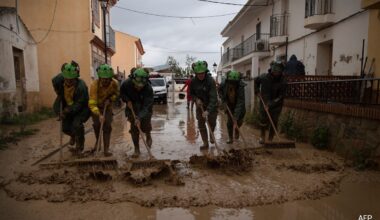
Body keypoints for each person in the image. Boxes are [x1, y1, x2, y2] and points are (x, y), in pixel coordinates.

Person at [52, 61, 90, 155]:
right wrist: (58, 92)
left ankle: (80, 147)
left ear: (76, 78)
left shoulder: (81, 87)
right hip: (67, 106)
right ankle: (73, 136)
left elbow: (79, 104)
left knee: (77, 125)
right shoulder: (59, 80)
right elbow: (54, 81)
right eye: (66, 79)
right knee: (65, 128)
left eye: (71, 80)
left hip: (82, 108)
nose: (69, 82)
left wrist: (67, 111)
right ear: (63, 77)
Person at [120, 68, 153, 157]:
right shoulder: (126, 84)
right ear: (133, 80)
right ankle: (137, 149)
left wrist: (139, 117)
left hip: (145, 109)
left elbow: (147, 106)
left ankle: (148, 135)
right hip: (132, 108)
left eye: (141, 86)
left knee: (145, 127)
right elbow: (122, 93)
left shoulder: (148, 88)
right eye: (137, 85)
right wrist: (127, 100)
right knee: (134, 129)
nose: (139, 88)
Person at [88, 64, 119, 157]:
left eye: (108, 79)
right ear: (100, 77)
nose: (105, 81)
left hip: (107, 107)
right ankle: (98, 142)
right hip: (96, 107)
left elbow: (117, 94)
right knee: (97, 125)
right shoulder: (94, 85)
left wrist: (110, 99)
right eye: (103, 79)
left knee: (107, 126)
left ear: (110, 78)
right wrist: (99, 114)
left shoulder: (115, 83)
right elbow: (92, 103)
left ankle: (106, 149)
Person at [254, 61, 287, 143]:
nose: (276, 73)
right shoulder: (264, 77)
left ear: (280, 72)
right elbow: (256, 81)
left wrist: (271, 104)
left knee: (274, 120)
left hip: (276, 104)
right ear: (272, 70)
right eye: (274, 71)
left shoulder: (283, 82)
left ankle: (270, 138)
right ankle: (262, 136)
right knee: (263, 119)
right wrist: (257, 91)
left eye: (278, 72)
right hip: (264, 101)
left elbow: (281, 96)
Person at [190, 60, 218, 150]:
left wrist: (208, 110)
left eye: (202, 73)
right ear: (196, 73)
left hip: (212, 105)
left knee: (212, 122)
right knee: (201, 124)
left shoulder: (210, 81)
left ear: (205, 72)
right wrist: (196, 99)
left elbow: (214, 97)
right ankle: (205, 143)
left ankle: (211, 134)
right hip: (200, 106)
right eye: (198, 73)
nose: (201, 75)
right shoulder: (193, 81)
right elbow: (191, 94)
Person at [218, 70, 246, 144]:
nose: (232, 84)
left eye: (234, 83)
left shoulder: (240, 86)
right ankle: (230, 138)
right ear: (228, 80)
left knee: (239, 122)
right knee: (229, 123)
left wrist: (236, 117)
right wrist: (223, 99)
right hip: (229, 105)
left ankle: (237, 130)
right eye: (231, 82)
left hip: (239, 107)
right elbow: (219, 90)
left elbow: (240, 102)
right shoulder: (224, 83)